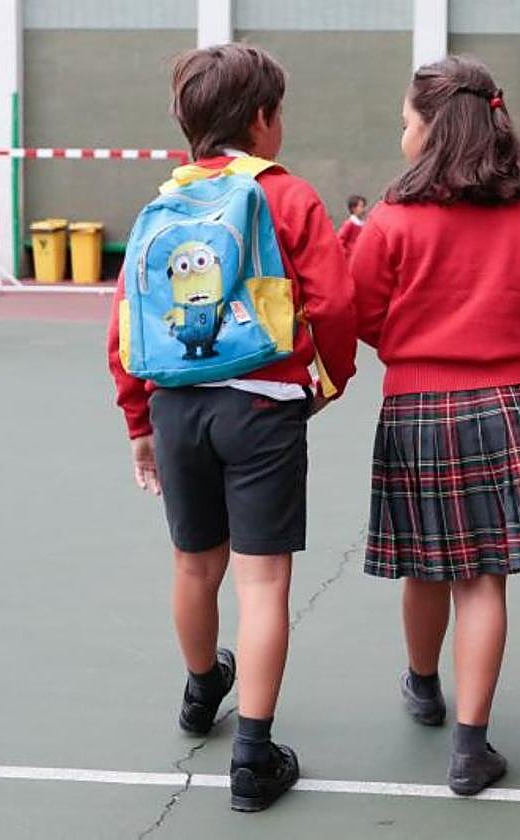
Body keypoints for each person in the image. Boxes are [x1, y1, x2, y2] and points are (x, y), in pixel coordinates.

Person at [106, 43, 357, 813]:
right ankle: (252, 755)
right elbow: (337, 302)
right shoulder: (289, 197)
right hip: (261, 404)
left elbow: (124, 324)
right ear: (262, 120)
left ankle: (199, 688)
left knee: (193, 565)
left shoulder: (163, 203)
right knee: (264, 581)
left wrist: (137, 417)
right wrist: (326, 380)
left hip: (177, 404)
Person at [350, 56, 520, 797]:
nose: (401, 133)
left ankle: (423, 684)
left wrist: (415, 334)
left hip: (417, 409)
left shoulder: (393, 220)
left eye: (405, 121)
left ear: (431, 130)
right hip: (507, 408)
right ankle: (471, 748)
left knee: (423, 562)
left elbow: (363, 313)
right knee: (484, 579)